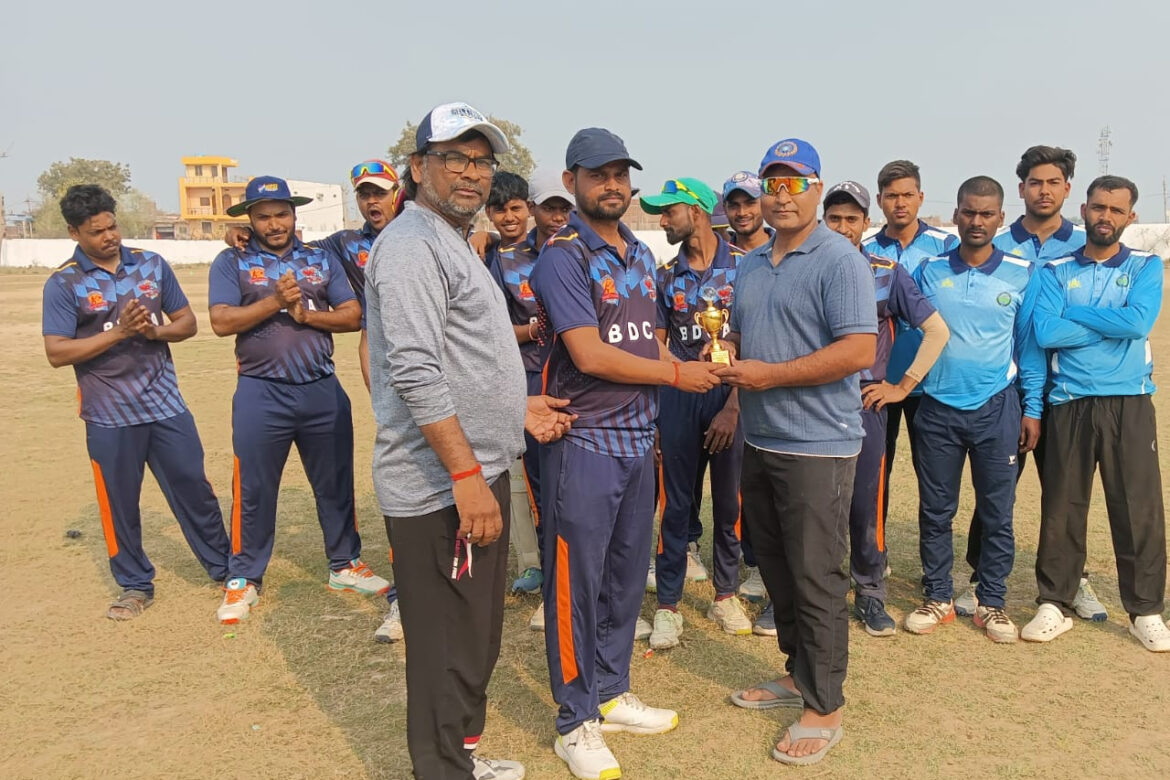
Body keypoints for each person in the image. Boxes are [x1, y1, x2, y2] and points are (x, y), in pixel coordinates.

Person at [365, 101, 574, 780]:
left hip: (474, 470)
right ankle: (442, 769)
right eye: (454, 157)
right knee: (446, 644)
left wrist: (515, 407)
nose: (472, 173)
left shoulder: (451, 240)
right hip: (440, 486)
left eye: (482, 161)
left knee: (474, 635)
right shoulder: (411, 245)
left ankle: (461, 758)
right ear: (418, 166)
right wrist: (463, 476)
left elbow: (463, 356)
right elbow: (415, 370)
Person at [531, 128, 720, 780]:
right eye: (597, 174)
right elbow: (588, 354)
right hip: (584, 440)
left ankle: (611, 693)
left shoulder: (639, 252)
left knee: (623, 578)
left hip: (640, 439)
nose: (611, 185)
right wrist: (676, 376)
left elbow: (648, 343)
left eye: (620, 174)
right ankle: (574, 721)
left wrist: (693, 366)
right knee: (575, 585)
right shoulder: (563, 256)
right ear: (571, 182)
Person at [719, 139, 876, 766]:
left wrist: (771, 376)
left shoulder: (840, 259)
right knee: (779, 571)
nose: (781, 196)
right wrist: (726, 351)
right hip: (760, 439)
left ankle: (825, 704)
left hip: (818, 444)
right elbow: (741, 334)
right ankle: (797, 672)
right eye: (771, 184)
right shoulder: (754, 262)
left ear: (816, 188)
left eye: (794, 184)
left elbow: (858, 350)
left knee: (816, 575)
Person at [226, 161, 407, 641]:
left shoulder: (324, 257)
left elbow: (350, 314)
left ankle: (344, 563)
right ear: (250, 220)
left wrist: (305, 316)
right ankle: (243, 576)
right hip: (261, 389)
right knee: (255, 486)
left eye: (281, 213)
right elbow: (221, 320)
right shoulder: (239, 260)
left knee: (335, 481)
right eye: (263, 216)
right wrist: (274, 302)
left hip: (321, 385)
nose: (274, 224)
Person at [42, 185, 230, 620]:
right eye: (96, 232)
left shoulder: (150, 264)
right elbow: (56, 352)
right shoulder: (64, 282)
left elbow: (187, 323)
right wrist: (120, 333)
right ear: (74, 232)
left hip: (166, 406)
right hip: (108, 416)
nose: (109, 236)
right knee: (120, 503)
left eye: (112, 226)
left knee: (195, 489)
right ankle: (134, 584)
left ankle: (226, 569)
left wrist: (153, 332)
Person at [1023, 175, 1170, 652]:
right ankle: (1054, 602)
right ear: (1083, 209)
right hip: (1070, 400)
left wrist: (1076, 313)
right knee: (1062, 506)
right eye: (1099, 207)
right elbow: (1045, 332)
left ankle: (1145, 610)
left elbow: (1138, 322)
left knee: (1138, 507)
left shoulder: (1145, 266)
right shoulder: (1055, 270)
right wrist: (1111, 324)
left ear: (1130, 217)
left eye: (1116, 210)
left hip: (1129, 400)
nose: (1106, 216)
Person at [957, 145, 1104, 621]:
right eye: (1035, 182)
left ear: (1067, 189)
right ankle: (978, 577)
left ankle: (1073, 581)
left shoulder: (1084, 246)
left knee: (1065, 491)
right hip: (1006, 388)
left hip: (1069, 387)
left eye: (1053, 182)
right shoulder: (995, 243)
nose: (1044, 190)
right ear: (1020, 189)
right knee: (996, 488)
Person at [904, 176, 1044, 643]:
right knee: (935, 510)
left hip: (997, 407)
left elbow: (1029, 347)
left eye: (986, 214)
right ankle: (938, 596)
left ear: (1001, 217)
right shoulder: (929, 270)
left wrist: (1032, 408)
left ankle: (992, 602)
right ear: (956, 215)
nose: (977, 221)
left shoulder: (1023, 273)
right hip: (937, 407)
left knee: (997, 513)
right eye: (969, 212)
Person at [821, 180, 949, 637]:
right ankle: (804, 594)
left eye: (851, 219)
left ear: (865, 223)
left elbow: (937, 331)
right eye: (834, 219)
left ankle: (870, 592)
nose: (842, 227)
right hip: (810, 402)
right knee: (811, 504)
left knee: (865, 502)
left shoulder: (886, 272)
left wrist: (901, 386)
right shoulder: (803, 267)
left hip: (863, 402)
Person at [640, 177, 751, 650]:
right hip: (680, 398)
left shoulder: (747, 268)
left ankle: (725, 595)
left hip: (731, 397)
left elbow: (756, 338)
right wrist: (673, 388)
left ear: (697, 212)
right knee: (675, 506)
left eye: (670, 211)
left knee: (730, 504)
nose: (663, 220)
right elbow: (657, 343)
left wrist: (733, 405)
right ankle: (668, 605)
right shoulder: (665, 275)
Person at [486, 169, 573, 631]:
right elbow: (490, 327)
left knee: (577, 482)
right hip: (530, 381)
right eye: (548, 208)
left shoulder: (578, 249)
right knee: (540, 486)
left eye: (563, 209)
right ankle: (549, 576)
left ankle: (578, 575)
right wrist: (531, 330)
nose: (556, 217)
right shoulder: (501, 258)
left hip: (578, 379)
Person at [862, 161, 957, 526]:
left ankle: (934, 556)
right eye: (891, 196)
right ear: (879, 201)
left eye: (907, 195)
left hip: (930, 382)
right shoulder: (864, 250)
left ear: (920, 197)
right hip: (878, 381)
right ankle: (874, 548)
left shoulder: (948, 246)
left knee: (933, 478)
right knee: (874, 473)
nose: (899, 203)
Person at [720, 169, 770, 626]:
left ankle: (760, 563)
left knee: (768, 483)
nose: (742, 212)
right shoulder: (725, 257)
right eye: (733, 204)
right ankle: (746, 561)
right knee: (743, 483)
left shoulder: (779, 253)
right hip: (734, 380)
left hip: (775, 386)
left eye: (749, 202)